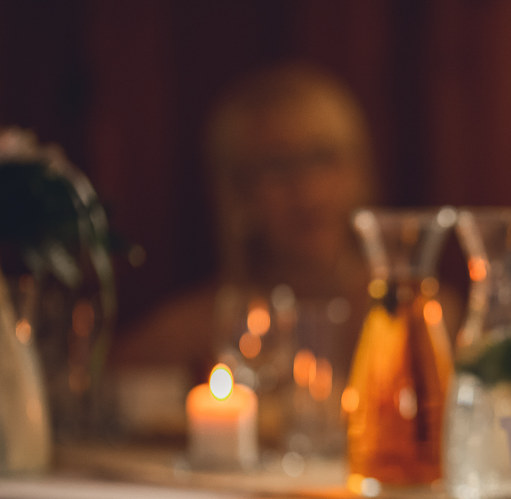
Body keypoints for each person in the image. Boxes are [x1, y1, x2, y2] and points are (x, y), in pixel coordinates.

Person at [112, 63, 376, 380]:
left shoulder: (405, 319)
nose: (308, 192)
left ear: (360, 174)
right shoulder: (196, 330)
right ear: (238, 193)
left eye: (324, 158)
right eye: (277, 166)